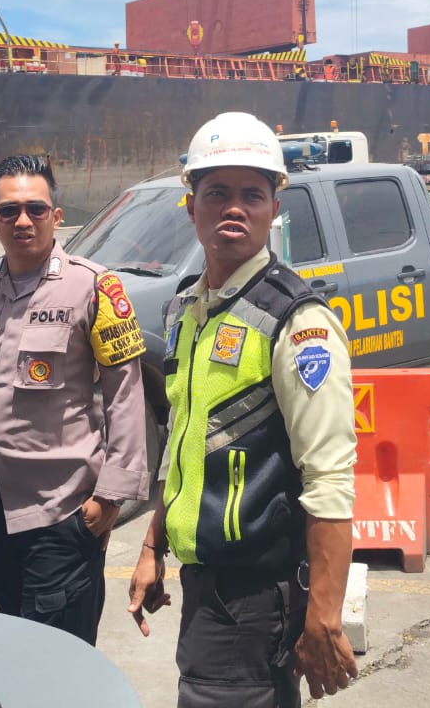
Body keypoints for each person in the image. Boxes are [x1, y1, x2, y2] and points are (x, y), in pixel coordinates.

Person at [128, 112, 359, 705]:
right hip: (206, 585)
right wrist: (154, 546)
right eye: (217, 193)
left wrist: (324, 616)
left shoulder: (297, 321)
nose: (234, 208)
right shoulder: (186, 310)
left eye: (252, 195)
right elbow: (184, 439)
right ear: (191, 207)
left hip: (257, 599)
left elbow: (329, 477)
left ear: (273, 208)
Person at [0, 154, 150, 645]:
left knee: (62, 652)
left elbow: (126, 397)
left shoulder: (94, 288)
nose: (23, 220)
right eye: (9, 211)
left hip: (64, 510)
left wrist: (110, 496)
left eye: (36, 209)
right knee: (17, 640)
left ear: (57, 216)